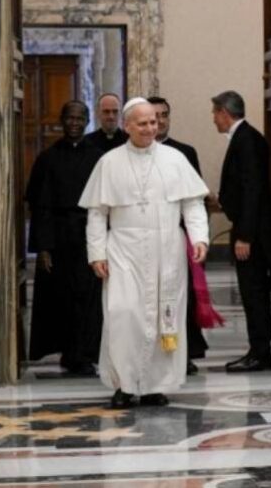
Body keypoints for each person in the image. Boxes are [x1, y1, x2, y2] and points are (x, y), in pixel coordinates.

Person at [80, 98, 209, 408]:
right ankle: (124, 385)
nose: (151, 127)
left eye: (154, 121)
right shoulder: (109, 162)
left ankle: (154, 386)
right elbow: (97, 213)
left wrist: (200, 237)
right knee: (123, 314)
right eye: (143, 123)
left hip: (167, 250)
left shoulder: (175, 159)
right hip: (124, 251)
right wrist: (96, 252)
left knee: (163, 316)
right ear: (128, 126)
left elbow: (192, 203)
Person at [26, 100, 104, 376]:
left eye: (79, 118)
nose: (74, 123)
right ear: (62, 120)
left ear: (86, 121)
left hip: (88, 235)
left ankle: (83, 354)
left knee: (87, 297)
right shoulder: (47, 158)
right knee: (61, 299)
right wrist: (43, 247)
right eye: (69, 118)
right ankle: (66, 352)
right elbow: (40, 206)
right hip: (58, 238)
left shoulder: (98, 158)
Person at [212, 91, 271, 372]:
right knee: (251, 293)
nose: (213, 120)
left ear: (225, 113)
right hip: (247, 229)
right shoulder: (244, 138)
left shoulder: (247, 141)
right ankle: (257, 349)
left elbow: (254, 191)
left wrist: (245, 236)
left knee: (254, 294)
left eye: (215, 114)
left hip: (251, 235)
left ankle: (260, 353)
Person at [148, 96, 211, 376]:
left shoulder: (185, 152)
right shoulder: (126, 153)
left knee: (180, 300)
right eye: (154, 115)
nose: (159, 121)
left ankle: (182, 353)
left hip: (177, 239)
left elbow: (195, 201)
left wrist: (197, 238)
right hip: (142, 243)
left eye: (164, 115)